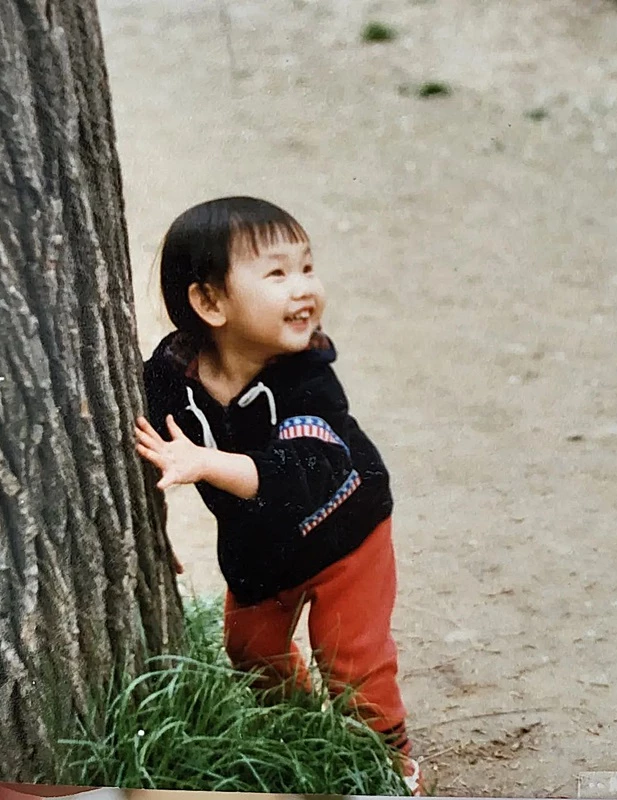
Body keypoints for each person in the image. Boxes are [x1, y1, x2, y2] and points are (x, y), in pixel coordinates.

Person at [134, 196, 423, 795]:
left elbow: (301, 470)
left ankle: (387, 765)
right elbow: (147, 456)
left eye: (307, 268)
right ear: (209, 302)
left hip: (346, 534)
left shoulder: (308, 378)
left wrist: (208, 462)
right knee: (250, 649)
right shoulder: (170, 374)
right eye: (276, 273)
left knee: (352, 659)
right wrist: (152, 540)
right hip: (259, 546)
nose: (303, 289)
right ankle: (296, 730)